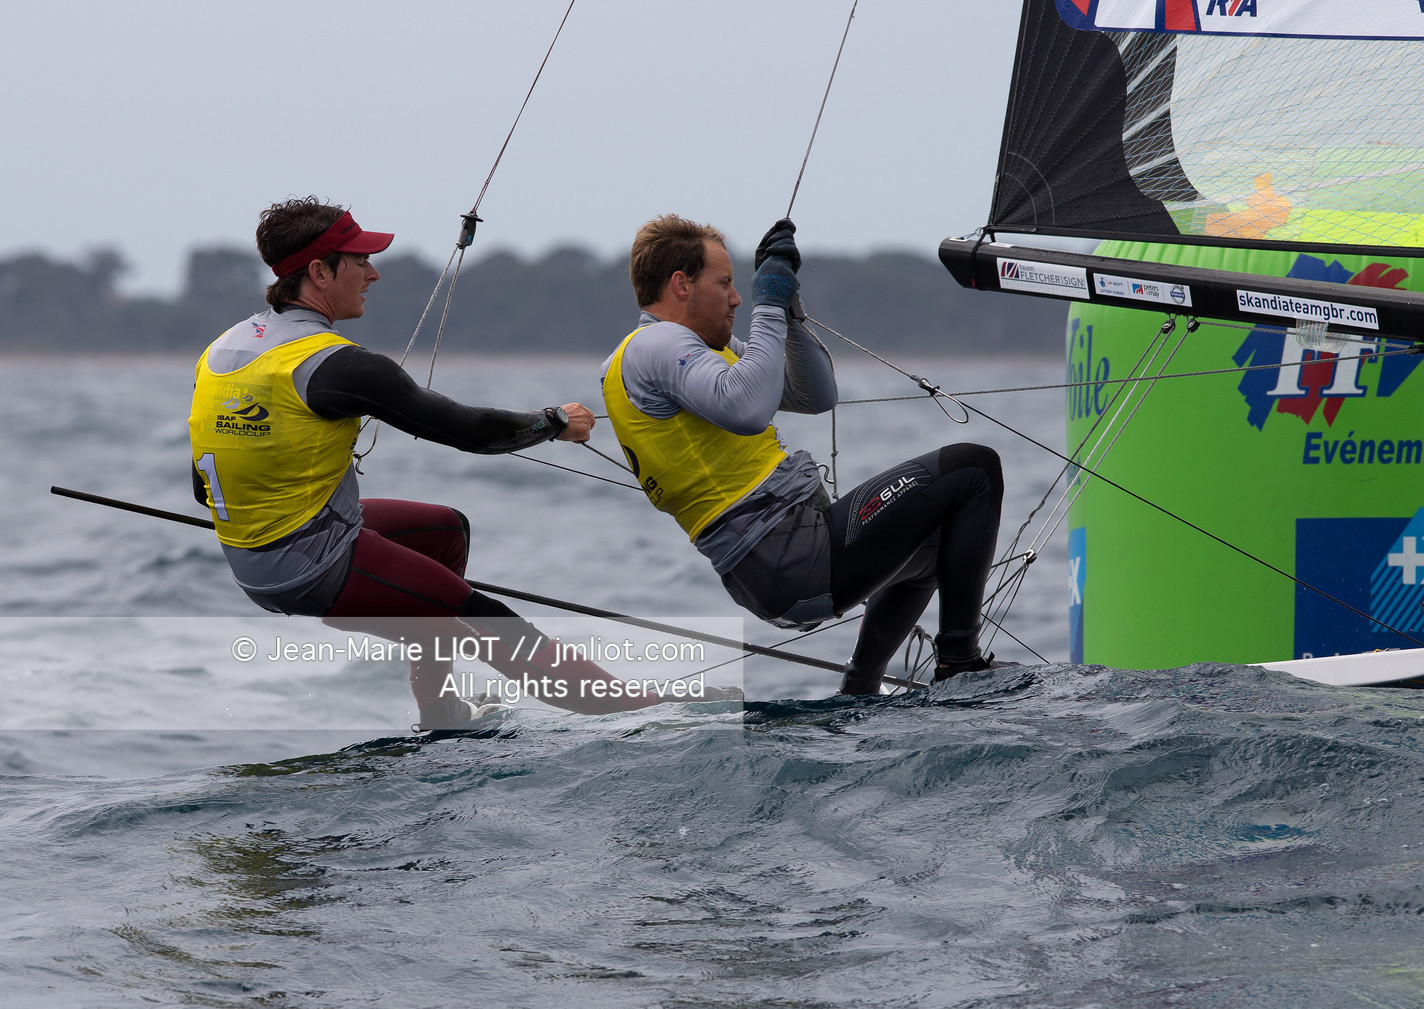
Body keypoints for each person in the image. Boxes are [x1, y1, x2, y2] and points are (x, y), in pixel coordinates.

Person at [189, 196, 673, 728]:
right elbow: (469, 432)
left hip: (259, 555)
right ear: (319, 272)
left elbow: (201, 487)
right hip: (309, 568)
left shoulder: (223, 349)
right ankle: (631, 712)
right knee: (485, 619)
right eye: (360, 261)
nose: (373, 273)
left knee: (446, 531)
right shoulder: (334, 366)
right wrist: (552, 422)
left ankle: (439, 709)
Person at [601, 214, 1011, 694]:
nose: (737, 298)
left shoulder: (690, 353)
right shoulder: (656, 343)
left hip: (777, 564)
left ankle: (860, 686)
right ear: (681, 285)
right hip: (785, 554)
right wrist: (767, 303)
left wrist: (787, 310)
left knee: (937, 544)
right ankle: (960, 665)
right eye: (725, 283)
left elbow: (815, 395)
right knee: (974, 468)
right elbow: (747, 409)